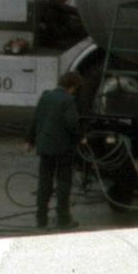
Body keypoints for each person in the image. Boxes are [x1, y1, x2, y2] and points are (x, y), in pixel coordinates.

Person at [28, 68, 83, 229]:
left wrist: (30, 140)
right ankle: (63, 218)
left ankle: (41, 218)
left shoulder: (46, 96)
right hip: (63, 148)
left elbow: (36, 119)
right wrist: (81, 137)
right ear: (72, 87)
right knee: (64, 183)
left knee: (44, 182)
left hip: (45, 147)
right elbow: (72, 123)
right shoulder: (68, 100)